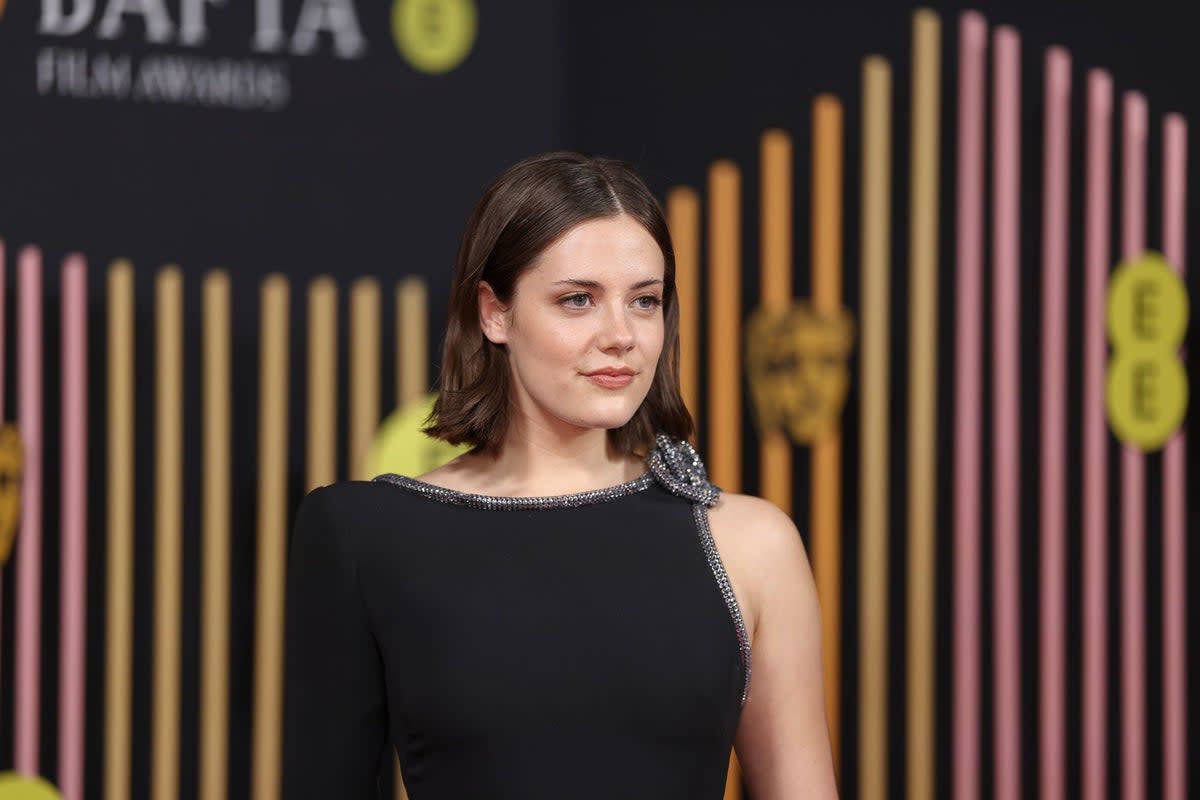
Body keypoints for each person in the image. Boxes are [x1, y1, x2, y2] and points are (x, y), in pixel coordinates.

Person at [283, 151, 838, 799]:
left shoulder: (751, 543)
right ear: (495, 313)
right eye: (578, 300)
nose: (621, 335)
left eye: (645, 301)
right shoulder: (363, 535)